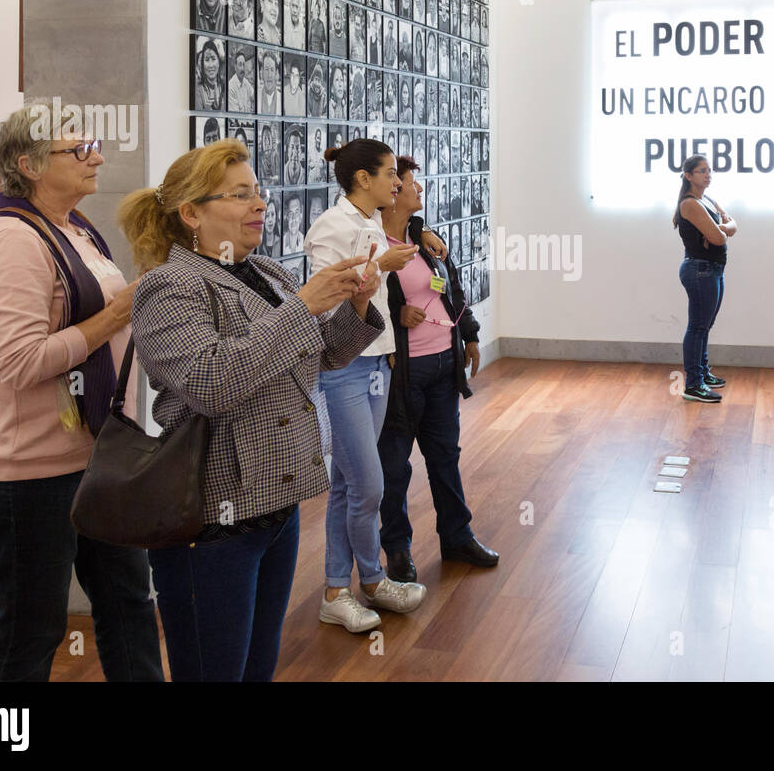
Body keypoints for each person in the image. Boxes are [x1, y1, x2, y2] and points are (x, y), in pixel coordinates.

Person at [119, 140, 383, 681]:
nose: (259, 204)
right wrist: (306, 306)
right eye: (240, 195)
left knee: (258, 665)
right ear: (191, 213)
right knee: (215, 671)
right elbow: (211, 382)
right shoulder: (169, 287)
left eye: (257, 191)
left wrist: (354, 307)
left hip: (275, 505)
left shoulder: (268, 272)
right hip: (214, 518)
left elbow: (323, 353)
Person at [0, 107, 163, 682]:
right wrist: (119, 312)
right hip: (30, 471)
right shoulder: (12, 244)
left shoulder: (72, 228)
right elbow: (21, 362)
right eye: (80, 148)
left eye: (93, 144)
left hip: (93, 451)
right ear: (27, 166)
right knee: (34, 628)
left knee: (128, 603)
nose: (97, 155)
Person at [304, 138, 425, 632]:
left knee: (347, 484)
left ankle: (339, 590)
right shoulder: (330, 227)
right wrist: (381, 266)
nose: (398, 182)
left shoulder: (371, 221)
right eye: (391, 173)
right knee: (369, 486)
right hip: (343, 367)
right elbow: (329, 296)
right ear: (363, 179)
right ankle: (371, 578)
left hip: (376, 363)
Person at [374, 156, 494, 581]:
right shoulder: (372, 245)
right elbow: (361, 305)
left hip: (444, 366)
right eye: (410, 183)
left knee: (445, 456)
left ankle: (457, 537)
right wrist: (396, 313)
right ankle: (398, 552)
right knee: (394, 467)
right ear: (392, 193)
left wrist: (472, 335)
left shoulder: (426, 241)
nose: (418, 190)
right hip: (401, 375)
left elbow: (452, 289)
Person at [675, 155, 736, 403]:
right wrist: (722, 229)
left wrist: (722, 227)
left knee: (704, 327)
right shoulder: (689, 204)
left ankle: (703, 374)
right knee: (697, 328)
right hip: (700, 270)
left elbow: (732, 223)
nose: (707, 175)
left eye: (709, 171)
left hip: (712, 269)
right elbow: (720, 237)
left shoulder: (707, 199)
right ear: (688, 176)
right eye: (702, 171)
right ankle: (693, 385)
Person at [195, 38, 224, 112]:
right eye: (207, 60)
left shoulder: (225, 86)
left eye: (213, 59)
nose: (211, 65)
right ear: (202, 64)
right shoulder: (197, 89)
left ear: (218, 63)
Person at [229, 46, 255, 113]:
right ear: (235, 67)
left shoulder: (245, 82)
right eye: (240, 65)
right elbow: (235, 117)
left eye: (244, 65)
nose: (242, 68)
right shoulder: (231, 87)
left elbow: (253, 97)